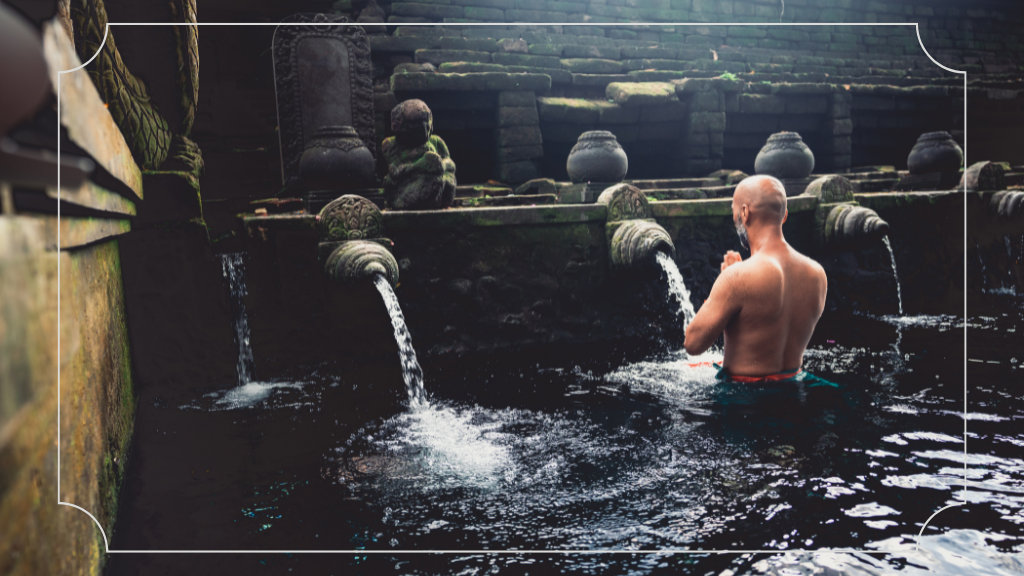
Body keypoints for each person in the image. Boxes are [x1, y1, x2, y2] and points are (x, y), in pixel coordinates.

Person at [683, 175, 828, 382]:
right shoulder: (817, 274)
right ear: (784, 216)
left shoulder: (737, 277)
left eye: (734, 213)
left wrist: (727, 283)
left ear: (744, 212)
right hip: (796, 395)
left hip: (744, 402)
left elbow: (693, 344)